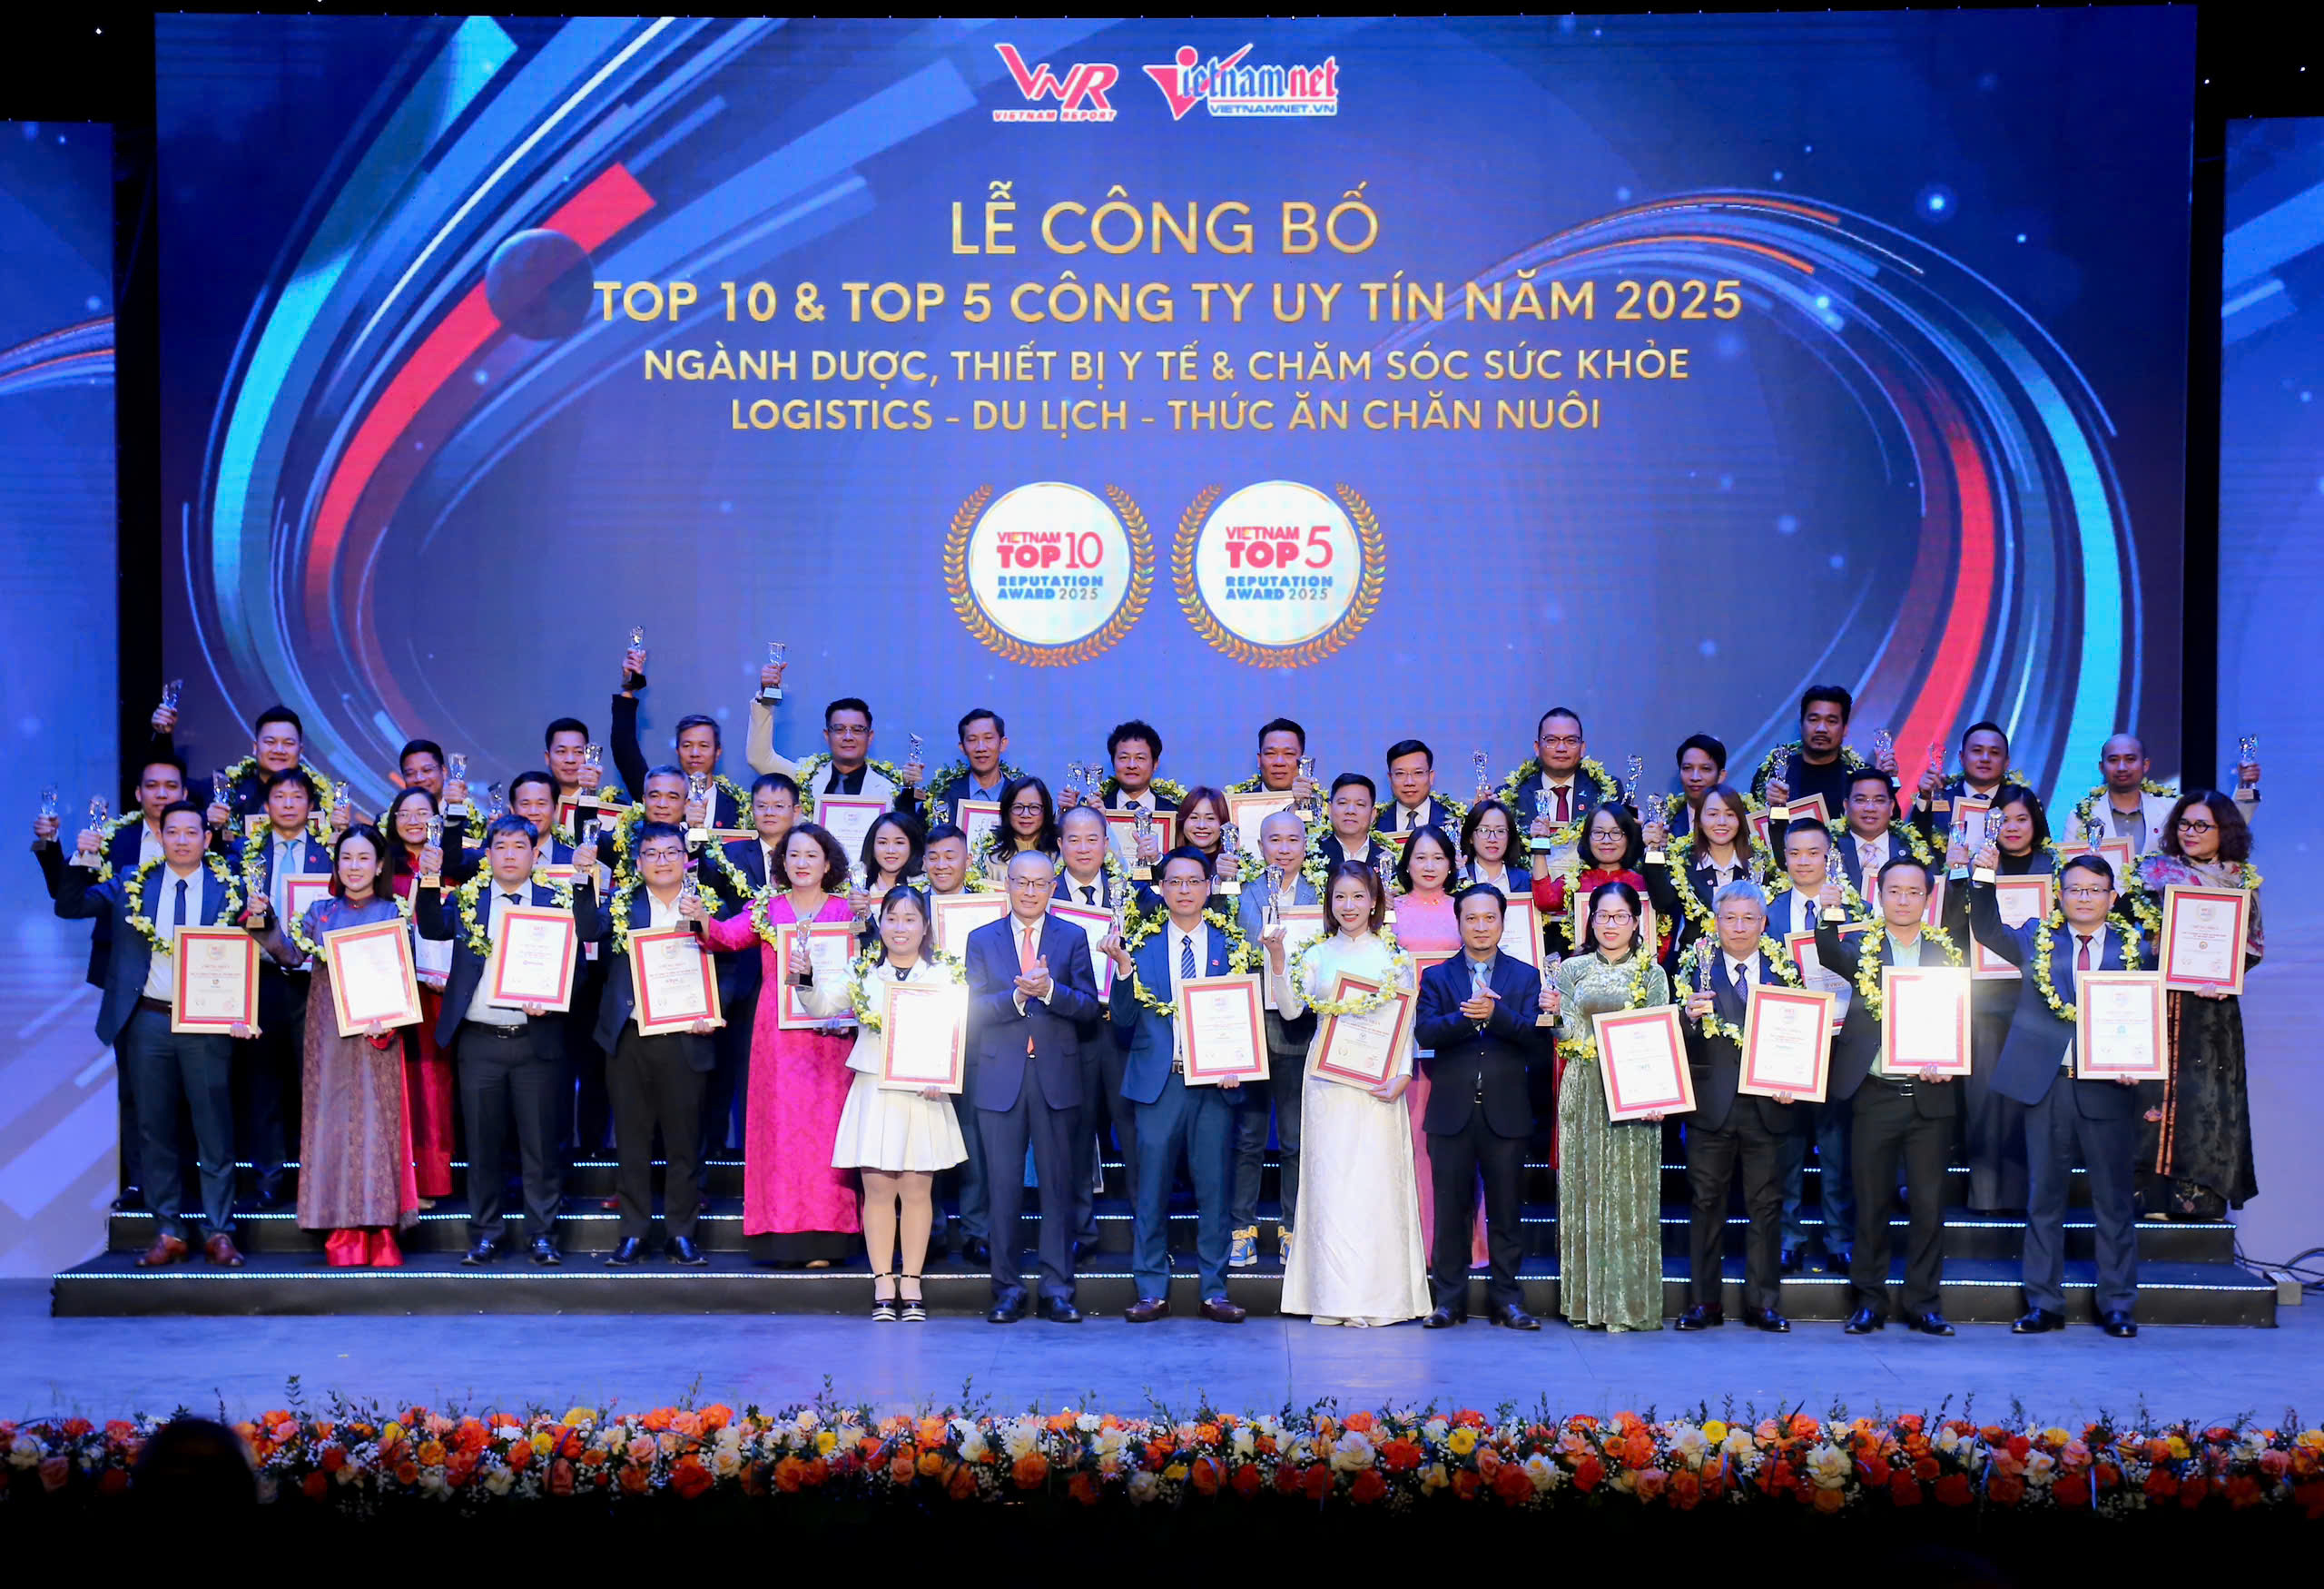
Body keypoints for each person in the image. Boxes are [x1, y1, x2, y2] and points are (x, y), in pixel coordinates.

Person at [54, 800, 255, 1267]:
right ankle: (168, 1230)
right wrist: (80, 859)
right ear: (159, 837)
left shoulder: (230, 886)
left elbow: (255, 945)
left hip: (207, 1020)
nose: (182, 840)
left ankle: (219, 1230)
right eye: (173, 832)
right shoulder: (131, 880)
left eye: (192, 832)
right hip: (147, 1019)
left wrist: (243, 1003)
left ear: (207, 839)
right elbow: (71, 906)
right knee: (154, 1128)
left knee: (214, 1127)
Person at [1966, 851, 2146, 1337]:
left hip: (2109, 1087)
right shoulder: (2036, 938)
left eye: (2095, 890)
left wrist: (2142, 1071)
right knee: (2044, 1199)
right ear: (2059, 896)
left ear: (2112, 897)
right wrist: (1982, 878)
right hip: (2045, 1086)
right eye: (2075, 889)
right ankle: (2043, 1303)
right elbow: (1986, 929)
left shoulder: (2136, 948)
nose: (2084, 898)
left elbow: (2151, 1017)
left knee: (2113, 1202)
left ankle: (2118, 1304)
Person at [415, 813, 605, 1267]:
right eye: (500, 846)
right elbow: (432, 927)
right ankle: (486, 1234)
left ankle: (543, 1235)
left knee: (541, 1146)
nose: (510, 855)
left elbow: (586, 954)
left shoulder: (557, 900)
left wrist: (553, 1001)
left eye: (519, 846)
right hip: (480, 1041)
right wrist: (429, 879)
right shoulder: (471, 899)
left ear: (535, 854)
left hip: (537, 1039)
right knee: (482, 1146)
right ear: (488, 854)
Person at [1267, 861, 1430, 1327]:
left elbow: (1405, 1021)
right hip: (1328, 1083)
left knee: (1375, 1184)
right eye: (1340, 897)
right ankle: (1331, 1296)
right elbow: (1291, 1010)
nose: (1349, 906)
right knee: (1331, 1184)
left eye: (1358, 896)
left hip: (1379, 1083)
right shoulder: (1316, 954)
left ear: (1375, 901)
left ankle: (1381, 1298)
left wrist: (1403, 1073)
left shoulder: (1394, 957)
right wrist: (1278, 959)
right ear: (1330, 903)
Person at [251, 824, 418, 1267]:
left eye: (364, 858)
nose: (354, 867)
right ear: (336, 865)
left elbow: (404, 977)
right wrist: (264, 921)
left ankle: (381, 1229)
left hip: (378, 1034)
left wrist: (388, 1022)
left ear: (379, 866)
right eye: (346, 858)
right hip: (327, 1033)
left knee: (376, 1129)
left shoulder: (393, 913)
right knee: (332, 1127)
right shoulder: (320, 912)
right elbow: (292, 957)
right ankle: (340, 1228)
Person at [800, 888, 968, 1322]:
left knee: (916, 1191)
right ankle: (882, 1281)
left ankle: (911, 1280)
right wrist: (805, 977)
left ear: (925, 927)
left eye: (910, 919)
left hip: (924, 1093)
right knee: (877, 1191)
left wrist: (942, 1076)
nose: (900, 928)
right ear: (881, 923)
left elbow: (957, 1033)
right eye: (892, 918)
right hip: (875, 1089)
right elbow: (821, 1004)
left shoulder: (945, 974)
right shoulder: (863, 973)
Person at [700, 823, 863, 1265]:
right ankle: (779, 1237)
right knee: (779, 1132)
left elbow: (862, 971)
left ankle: (827, 1238)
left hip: (830, 1037)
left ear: (827, 864)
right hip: (777, 1039)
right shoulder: (766, 908)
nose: (802, 863)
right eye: (794, 855)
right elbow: (725, 937)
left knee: (826, 1136)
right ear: (782, 863)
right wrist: (698, 916)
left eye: (812, 855)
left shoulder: (845, 911)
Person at [1102, 848, 1252, 1323]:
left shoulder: (1232, 943)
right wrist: (1123, 970)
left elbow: (1244, 1013)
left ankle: (1215, 1290)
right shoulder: (1140, 945)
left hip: (1214, 1085)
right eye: (1174, 882)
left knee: (1215, 1190)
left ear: (1209, 887)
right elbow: (1123, 1021)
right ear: (1161, 889)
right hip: (1158, 1083)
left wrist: (1238, 1060)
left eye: (1193, 881)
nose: (1184, 890)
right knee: (1150, 1191)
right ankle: (1151, 1290)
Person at [35, 750, 190, 1209]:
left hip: (194, 980)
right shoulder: (114, 837)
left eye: (171, 786)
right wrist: (60, 849)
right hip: (126, 977)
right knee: (136, 1090)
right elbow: (70, 897)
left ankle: (191, 1181)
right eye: (152, 786)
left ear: (185, 793)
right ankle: (141, 1183)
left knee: (197, 1090)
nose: (162, 794)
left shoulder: (199, 836)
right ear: (138, 794)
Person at [1816, 856, 1961, 1336]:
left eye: (1913, 892)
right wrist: (1829, 911)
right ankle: (1869, 1301)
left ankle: (1924, 1303)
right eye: (1893, 891)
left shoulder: (1946, 952)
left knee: (1928, 1206)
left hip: (1930, 1095)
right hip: (1875, 1094)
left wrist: (1951, 1056)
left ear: (1927, 898)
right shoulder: (1862, 948)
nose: (1903, 900)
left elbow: (1965, 1015)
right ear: (1879, 896)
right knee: (1871, 1202)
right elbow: (1827, 952)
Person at [961, 850, 1103, 1323]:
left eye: (1040, 883)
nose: (1029, 891)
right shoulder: (982, 938)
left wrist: (1051, 993)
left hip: (1056, 1078)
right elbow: (972, 1009)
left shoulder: (1072, 936)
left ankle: (1057, 1289)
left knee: (1058, 1188)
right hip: (999, 1078)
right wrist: (1019, 997)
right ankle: (1007, 1290)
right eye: (1021, 881)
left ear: (1052, 888)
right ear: (1007, 884)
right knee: (1002, 1189)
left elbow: (1088, 1008)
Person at [1415, 884, 1551, 1329]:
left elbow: (1534, 1040)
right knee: (1450, 1211)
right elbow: (1426, 1032)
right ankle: (1448, 1301)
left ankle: (1507, 1300)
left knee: (1507, 1212)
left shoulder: (1525, 977)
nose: (1480, 926)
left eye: (1489, 917)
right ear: (1458, 922)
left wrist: (1497, 1016)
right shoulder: (1437, 976)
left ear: (1502, 922)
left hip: (1506, 1112)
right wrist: (1465, 1017)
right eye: (1471, 918)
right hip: (1451, 1112)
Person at [2131, 791, 2262, 1221]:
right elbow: (2129, 935)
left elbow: (2252, 946)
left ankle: (2197, 1200)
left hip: (2211, 1011)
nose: (2191, 832)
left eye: (2202, 825)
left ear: (2225, 830)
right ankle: (2150, 1198)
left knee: (2204, 1100)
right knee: (2154, 1093)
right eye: (2185, 823)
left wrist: (2226, 977)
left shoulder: (2239, 881)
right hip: (2159, 1001)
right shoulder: (2153, 874)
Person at [1674, 881, 1798, 1332]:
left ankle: (1763, 1303)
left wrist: (1793, 1080)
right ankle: (1703, 1303)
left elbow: (1802, 1034)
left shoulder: (1785, 969)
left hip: (1769, 1104)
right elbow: (1671, 1033)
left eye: (1749, 918)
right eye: (1730, 918)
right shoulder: (1693, 967)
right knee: (1705, 1204)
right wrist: (1686, 1017)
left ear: (1763, 923)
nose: (1740, 927)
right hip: (1711, 1105)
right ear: (1716, 922)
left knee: (1767, 1205)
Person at [594, 821, 718, 1268]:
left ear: (686, 859)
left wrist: (713, 1011)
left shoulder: (708, 905)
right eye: (651, 854)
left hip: (687, 1037)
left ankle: (681, 1234)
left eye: (670, 853)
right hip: (629, 1038)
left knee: (685, 1143)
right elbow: (587, 930)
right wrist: (584, 882)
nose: (661, 862)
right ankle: (633, 1233)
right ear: (639, 862)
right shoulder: (621, 905)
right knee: (631, 1141)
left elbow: (734, 967)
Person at [1553, 881, 1672, 1330]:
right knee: (1583, 1193)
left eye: (1620, 916)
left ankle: (1628, 1306)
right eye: (1602, 916)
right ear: (1591, 920)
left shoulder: (1651, 973)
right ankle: (1585, 1305)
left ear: (1636, 922)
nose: (1610, 925)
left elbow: (1660, 1036)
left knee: (1630, 1196)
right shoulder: (1571, 969)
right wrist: (1552, 1015)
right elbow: (1566, 1037)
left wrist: (1658, 1095)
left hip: (1633, 1091)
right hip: (1582, 1088)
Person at [1942, 784, 2055, 1214]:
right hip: (1986, 997)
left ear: (2035, 823)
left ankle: (2028, 1197)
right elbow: (1953, 925)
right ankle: (1986, 1195)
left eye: (2021, 819)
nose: (2012, 827)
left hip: (2038, 998)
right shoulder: (1976, 865)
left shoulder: (2053, 868)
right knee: (1985, 1098)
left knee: (2031, 1098)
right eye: (2001, 819)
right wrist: (1959, 875)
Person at [230, 767, 335, 1208]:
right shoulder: (241, 855)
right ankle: (269, 1177)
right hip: (263, 979)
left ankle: (319, 1176)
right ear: (266, 804)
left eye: (297, 796)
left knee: (318, 1081)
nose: (289, 804)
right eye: (279, 796)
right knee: (264, 1082)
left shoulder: (331, 854)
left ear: (311, 805)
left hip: (316, 981)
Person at [1387, 824, 1484, 1271]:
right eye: (1420, 857)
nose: (1429, 866)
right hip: (1401, 1042)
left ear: (1452, 864)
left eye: (1438, 858)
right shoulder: (1388, 910)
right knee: (1407, 1146)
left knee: (1455, 1147)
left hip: (1456, 1040)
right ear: (1406, 863)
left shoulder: (1465, 910)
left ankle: (1460, 1247)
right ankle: (1407, 1250)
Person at [1764, 820, 1859, 1272]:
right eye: (1794, 853)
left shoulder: (1855, 910)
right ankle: (1789, 1236)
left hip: (1840, 1042)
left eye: (1813, 853)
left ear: (1829, 857)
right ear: (1784, 857)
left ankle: (1841, 1239)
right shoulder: (1768, 911)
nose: (1803, 861)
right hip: (1787, 1041)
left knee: (1837, 1149)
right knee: (1787, 1147)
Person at [1055, 801, 1142, 1251]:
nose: (1084, 848)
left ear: (1107, 844)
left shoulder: (1135, 895)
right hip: (1070, 1030)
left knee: (1134, 1131)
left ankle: (1146, 1232)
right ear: (1060, 845)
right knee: (1075, 1130)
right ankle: (1080, 1231)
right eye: (1074, 839)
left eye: (1093, 839)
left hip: (1122, 1031)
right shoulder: (1045, 896)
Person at [1233, 810, 1317, 1268]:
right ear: (1260, 846)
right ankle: (1241, 1228)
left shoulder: (1319, 895)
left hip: (1295, 1029)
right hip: (1247, 1028)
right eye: (1274, 841)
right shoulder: (1238, 893)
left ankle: (1292, 1227)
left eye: (1292, 840)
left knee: (1294, 1139)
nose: (1283, 849)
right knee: (1247, 1138)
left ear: (1305, 845)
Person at [700, 773, 801, 1158]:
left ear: (796, 811)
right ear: (751, 811)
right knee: (728, 1073)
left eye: (779, 806)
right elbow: (710, 903)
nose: (770, 813)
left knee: (784, 1078)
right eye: (762, 806)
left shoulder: (810, 855)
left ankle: (775, 1157)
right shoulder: (730, 855)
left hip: (794, 985)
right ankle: (720, 1159)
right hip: (738, 981)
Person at [919, 821, 995, 1262]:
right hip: (923, 1035)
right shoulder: (910, 906)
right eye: (934, 857)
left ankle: (977, 1230)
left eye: (951, 856)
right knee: (925, 1133)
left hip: (978, 1035)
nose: (942, 865)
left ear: (968, 860)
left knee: (974, 1136)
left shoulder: (988, 908)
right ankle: (927, 1228)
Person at [379, 788, 455, 1206]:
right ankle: (398, 1183)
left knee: (435, 1085)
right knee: (402, 1084)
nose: (413, 821)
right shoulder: (382, 867)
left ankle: (435, 1179)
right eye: (404, 813)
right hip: (391, 989)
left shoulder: (455, 864)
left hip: (441, 991)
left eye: (422, 813)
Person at [611, 638, 745, 829]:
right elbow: (624, 749)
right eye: (687, 745)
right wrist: (628, 688)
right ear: (677, 750)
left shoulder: (738, 809)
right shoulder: (659, 797)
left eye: (703, 746)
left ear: (718, 752)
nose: (695, 753)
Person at [2077, 734, 2260, 857]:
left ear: (2145, 765)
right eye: (2113, 760)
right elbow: (2069, 868)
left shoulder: (2172, 807)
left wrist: (2246, 785)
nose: (2122, 767)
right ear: (2101, 767)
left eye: (2130, 759)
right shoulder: (2081, 816)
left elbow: (2228, 829)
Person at [1535, 804, 1677, 961]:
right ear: (1587, 838)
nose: (1606, 840)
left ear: (1628, 837)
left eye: (1616, 833)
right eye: (1598, 833)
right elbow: (1545, 900)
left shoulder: (1645, 883)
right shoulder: (1576, 880)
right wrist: (1539, 842)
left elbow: (1662, 940)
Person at [748, 695, 918, 808]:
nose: (848, 737)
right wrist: (767, 697)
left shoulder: (888, 789)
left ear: (870, 737)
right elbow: (760, 758)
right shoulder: (803, 778)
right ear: (827, 736)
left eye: (857, 729)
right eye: (839, 729)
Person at [1755, 685, 1887, 821]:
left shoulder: (1862, 778)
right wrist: (1772, 806)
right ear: (1801, 725)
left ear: (1845, 729)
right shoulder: (1773, 775)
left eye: (1831, 721)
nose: (1821, 729)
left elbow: (1890, 827)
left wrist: (1884, 786)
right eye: (1814, 720)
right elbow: (1753, 825)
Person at [1666, 784, 1760, 963]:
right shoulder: (1683, 865)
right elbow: (1662, 901)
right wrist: (1653, 850)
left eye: (1730, 814)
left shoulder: (1757, 865)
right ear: (1699, 821)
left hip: (1749, 960)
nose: (1722, 822)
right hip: (1695, 962)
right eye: (1713, 814)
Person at [1507, 708, 1612, 858]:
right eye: (1551, 740)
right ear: (1537, 748)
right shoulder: (1513, 796)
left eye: (1571, 741)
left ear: (1582, 748)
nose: (1561, 748)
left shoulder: (1603, 792)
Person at [1908, 721, 2015, 837]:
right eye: (1977, 751)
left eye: (1994, 752)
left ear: (2006, 762)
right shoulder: (1940, 802)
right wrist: (1924, 799)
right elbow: (1916, 837)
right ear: (1962, 757)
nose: (1985, 759)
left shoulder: (2018, 804)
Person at [921, 707, 1019, 826]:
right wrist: (909, 788)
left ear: (1002, 744)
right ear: (962, 747)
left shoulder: (1019, 796)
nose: (981, 748)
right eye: (972, 740)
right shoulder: (943, 795)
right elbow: (914, 832)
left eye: (988, 738)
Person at [1835, 768, 1927, 893]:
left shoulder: (1913, 850)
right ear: (1846, 806)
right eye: (1861, 800)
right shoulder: (1829, 849)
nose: (1870, 808)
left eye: (1879, 801)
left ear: (1891, 807)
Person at [1233, 716, 1322, 811]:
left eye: (1289, 754)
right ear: (1259, 760)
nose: (1279, 762)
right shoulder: (1237, 807)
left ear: (1302, 761)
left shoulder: (1322, 807)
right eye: (1270, 753)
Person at [1378, 739, 1465, 834]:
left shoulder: (1455, 820)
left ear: (1431, 777)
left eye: (1418, 773)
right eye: (1400, 773)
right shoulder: (1375, 822)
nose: (1409, 782)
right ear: (1390, 778)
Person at [980, 774, 1059, 877]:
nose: (1025, 815)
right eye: (1018, 807)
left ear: (1046, 811)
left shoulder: (1059, 859)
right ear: (1007, 812)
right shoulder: (991, 861)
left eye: (1034, 807)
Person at [1457, 797, 1532, 899]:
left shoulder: (1524, 880)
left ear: (1509, 837)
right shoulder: (1459, 877)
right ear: (1470, 837)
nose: (1492, 839)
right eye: (1484, 830)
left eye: (1500, 831)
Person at [1174, 785, 1240, 893]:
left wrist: (1220, 881)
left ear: (1223, 823)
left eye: (1210, 818)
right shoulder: (1169, 862)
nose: (1201, 826)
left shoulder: (1237, 864)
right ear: (1182, 822)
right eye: (1194, 817)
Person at [1315, 773, 1386, 871]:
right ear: (1329, 810)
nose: (1350, 811)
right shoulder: (1312, 857)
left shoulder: (1387, 859)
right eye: (1343, 803)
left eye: (1360, 804)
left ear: (1373, 814)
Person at [1663, 734, 1728, 837]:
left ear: (1721, 776)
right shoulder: (1664, 824)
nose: (1695, 777)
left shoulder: (1742, 821)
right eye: (1687, 768)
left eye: (1705, 769)